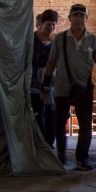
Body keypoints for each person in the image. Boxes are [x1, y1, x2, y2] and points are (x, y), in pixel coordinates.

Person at [41, 4, 96, 172]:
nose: (79, 19)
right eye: (75, 16)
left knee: (86, 125)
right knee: (59, 123)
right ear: (70, 18)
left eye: (82, 16)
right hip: (62, 88)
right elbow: (51, 62)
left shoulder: (93, 40)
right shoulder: (60, 39)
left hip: (84, 89)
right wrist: (45, 84)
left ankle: (82, 159)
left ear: (86, 18)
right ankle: (61, 155)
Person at [29, 9, 58, 149]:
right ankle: (40, 143)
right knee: (38, 113)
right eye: (48, 25)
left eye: (53, 25)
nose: (51, 28)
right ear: (41, 24)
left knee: (51, 114)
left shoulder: (55, 42)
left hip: (51, 82)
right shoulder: (31, 40)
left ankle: (50, 143)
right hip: (34, 83)